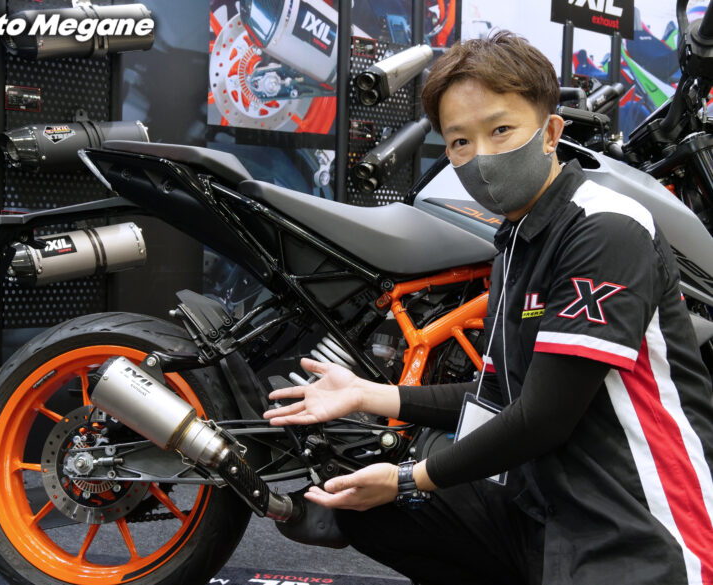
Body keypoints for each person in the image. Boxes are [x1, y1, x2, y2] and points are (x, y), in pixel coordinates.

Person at [263, 31, 713, 585]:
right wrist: (368, 394)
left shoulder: (604, 228)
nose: (482, 156)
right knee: (371, 508)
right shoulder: (515, 243)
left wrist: (408, 477)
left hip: (637, 522)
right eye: (460, 142)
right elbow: (497, 397)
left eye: (501, 130)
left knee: (397, 489)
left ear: (551, 133)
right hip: (546, 507)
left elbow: (542, 417)